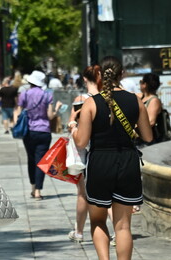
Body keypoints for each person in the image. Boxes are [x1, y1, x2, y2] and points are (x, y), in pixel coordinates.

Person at [69, 56, 152, 260]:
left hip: (100, 164)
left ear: (99, 75)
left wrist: (73, 128)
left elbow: (81, 142)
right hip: (127, 161)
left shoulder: (91, 103)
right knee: (123, 226)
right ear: (121, 74)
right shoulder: (135, 100)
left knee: (97, 221)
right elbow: (148, 136)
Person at [66, 65, 102, 243]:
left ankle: (79, 232)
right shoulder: (107, 98)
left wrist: (72, 125)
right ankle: (118, 231)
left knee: (82, 193)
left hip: (84, 152)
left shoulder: (81, 99)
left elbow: (71, 122)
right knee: (106, 192)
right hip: (103, 149)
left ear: (85, 79)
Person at [16, 70, 62, 200]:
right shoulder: (47, 95)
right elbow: (50, 116)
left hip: (29, 131)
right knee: (41, 162)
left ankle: (32, 187)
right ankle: (38, 191)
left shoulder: (24, 94)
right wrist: (57, 109)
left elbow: (19, 112)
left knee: (31, 160)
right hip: (44, 131)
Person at [138, 73, 163, 143]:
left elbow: (151, 122)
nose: (139, 84)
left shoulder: (154, 100)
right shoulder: (142, 97)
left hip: (150, 141)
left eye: (141, 82)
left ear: (145, 84)